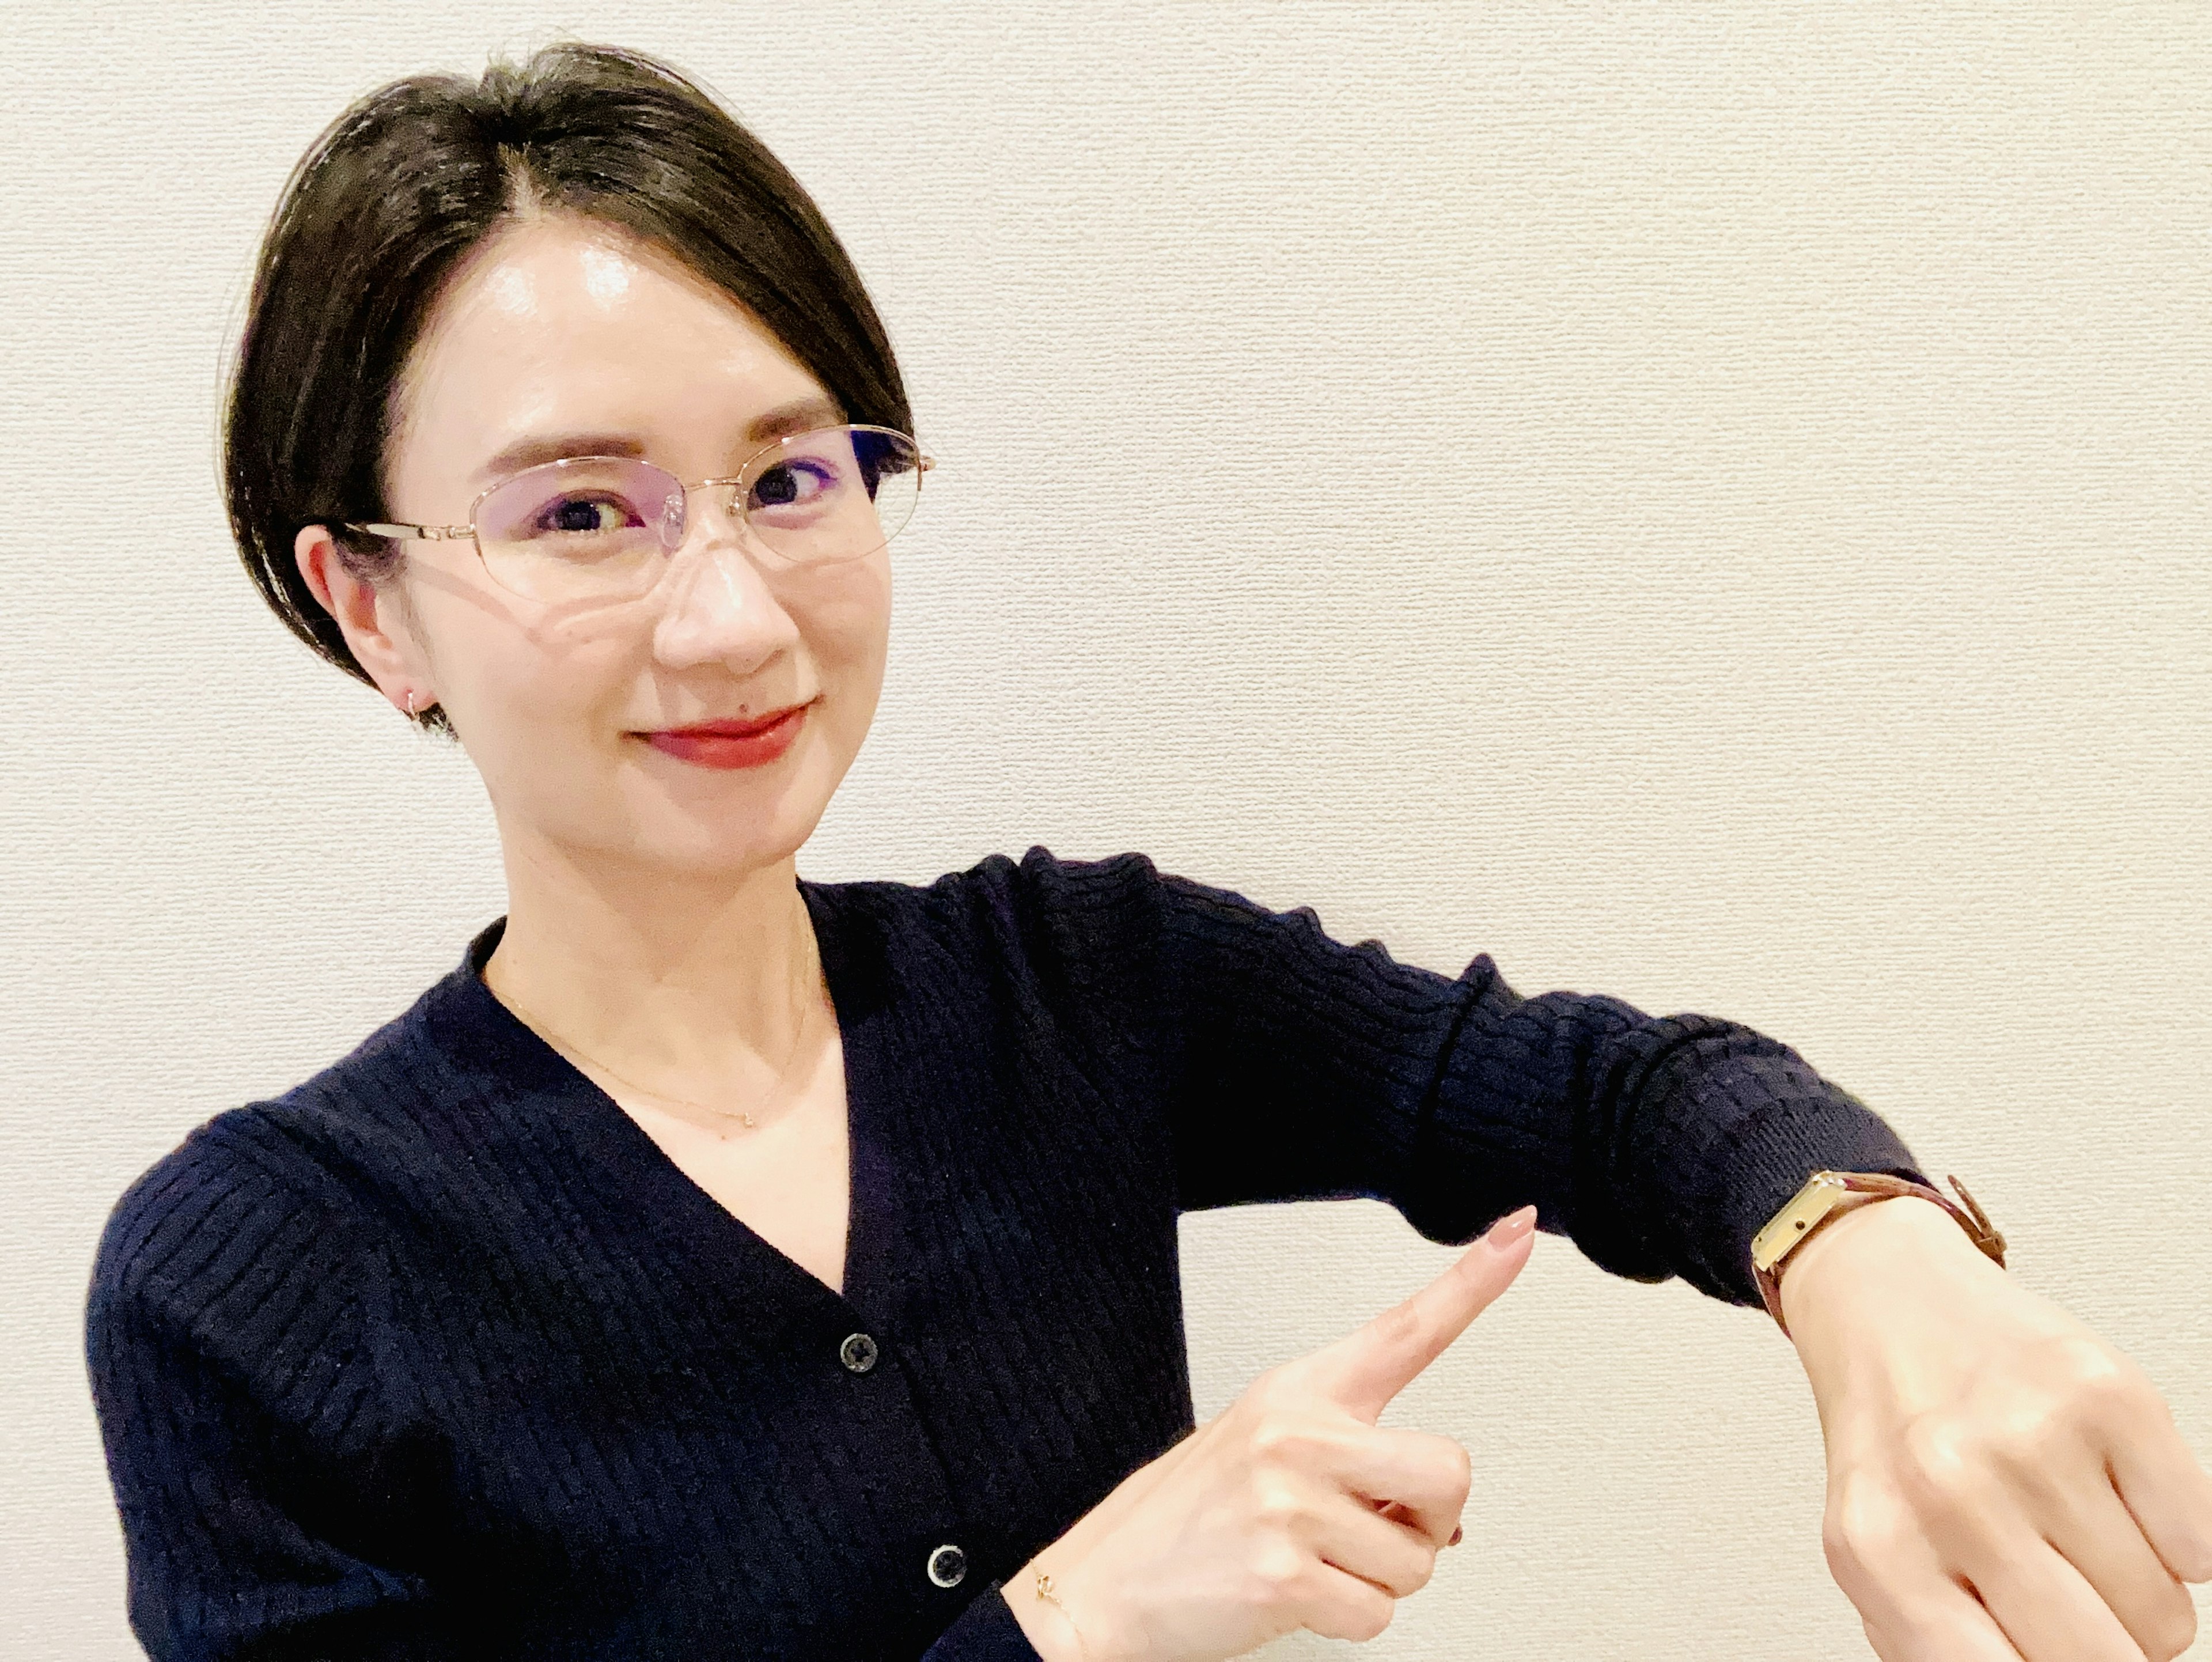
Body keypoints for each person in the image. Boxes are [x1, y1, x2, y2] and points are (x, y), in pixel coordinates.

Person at [84, 40, 2211, 1662]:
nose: (733, 616)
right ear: (372, 601)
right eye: (578, 513)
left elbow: (1618, 1092)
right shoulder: (250, 1292)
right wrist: (1076, 1619)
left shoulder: (1075, 988)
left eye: (794, 476)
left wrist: (1862, 1250)